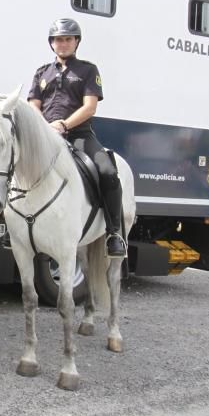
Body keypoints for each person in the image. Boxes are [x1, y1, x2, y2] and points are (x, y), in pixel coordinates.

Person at [27, 18, 127, 258]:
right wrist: (44, 127)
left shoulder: (88, 70)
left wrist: (63, 124)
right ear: (51, 43)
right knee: (18, 166)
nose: (63, 44)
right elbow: (33, 105)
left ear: (76, 42)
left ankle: (114, 234)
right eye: (58, 39)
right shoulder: (42, 72)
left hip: (79, 136)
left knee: (108, 172)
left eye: (68, 39)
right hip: (46, 137)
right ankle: (16, 227)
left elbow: (90, 107)